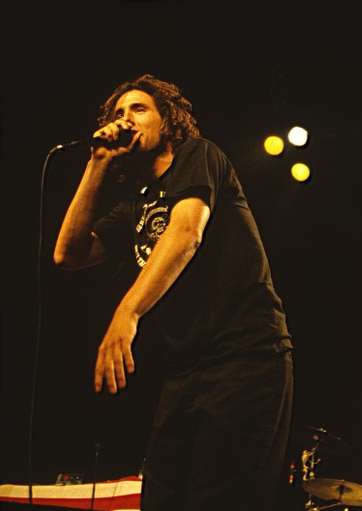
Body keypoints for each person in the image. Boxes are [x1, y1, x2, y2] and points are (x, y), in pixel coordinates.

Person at [53, 74, 294, 510]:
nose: (125, 119)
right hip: (184, 371)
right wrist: (98, 162)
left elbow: (185, 233)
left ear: (167, 122)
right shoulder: (133, 204)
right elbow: (68, 254)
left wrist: (126, 314)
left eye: (138, 109)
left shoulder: (199, 155)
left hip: (247, 357)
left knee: (221, 498)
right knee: (163, 497)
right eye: (118, 113)